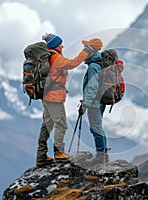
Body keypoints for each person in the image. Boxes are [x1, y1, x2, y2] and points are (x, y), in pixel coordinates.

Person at [36, 33, 103, 167]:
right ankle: (59, 153)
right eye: (60, 43)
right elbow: (73, 63)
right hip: (54, 98)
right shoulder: (56, 58)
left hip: (46, 96)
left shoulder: (49, 57)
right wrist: (86, 51)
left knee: (47, 125)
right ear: (55, 45)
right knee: (61, 124)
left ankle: (41, 156)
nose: (62, 45)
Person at [80, 49, 118, 164]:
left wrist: (85, 103)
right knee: (98, 126)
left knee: (95, 127)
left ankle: (100, 154)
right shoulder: (100, 64)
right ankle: (103, 153)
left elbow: (92, 86)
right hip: (101, 101)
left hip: (94, 102)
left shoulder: (93, 66)